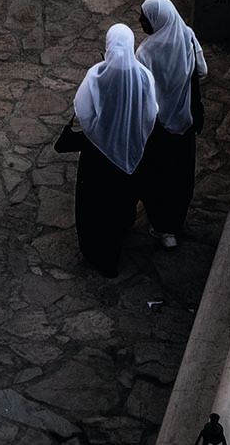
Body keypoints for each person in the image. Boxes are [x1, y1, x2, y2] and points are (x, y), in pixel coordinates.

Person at [70, 23, 157, 275]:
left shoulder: (97, 75)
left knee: (95, 204)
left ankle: (96, 250)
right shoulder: (143, 76)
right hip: (129, 150)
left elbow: (83, 112)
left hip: (97, 155)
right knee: (121, 202)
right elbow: (151, 113)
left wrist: (99, 133)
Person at [137, 0, 207, 245]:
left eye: (145, 18)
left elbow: (141, 89)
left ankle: (160, 226)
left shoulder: (145, 52)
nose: (141, 21)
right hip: (184, 122)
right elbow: (202, 71)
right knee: (180, 175)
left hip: (157, 126)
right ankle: (174, 225)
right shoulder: (187, 36)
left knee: (156, 175)